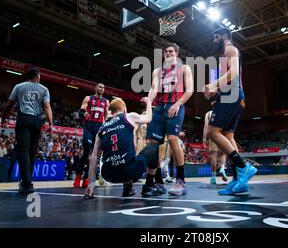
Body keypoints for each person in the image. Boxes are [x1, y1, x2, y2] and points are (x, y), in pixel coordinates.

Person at [203, 27, 257, 195]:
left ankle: (243, 167)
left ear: (224, 36)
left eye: (216, 36)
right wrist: (217, 91)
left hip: (232, 94)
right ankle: (238, 180)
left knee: (212, 132)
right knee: (227, 135)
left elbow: (234, 73)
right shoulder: (226, 54)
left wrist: (214, 85)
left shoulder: (230, 48)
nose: (214, 40)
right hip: (232, 94)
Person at [142, 43, 194, 196]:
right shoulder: (158, 71)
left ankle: (181, 181)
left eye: (171, 51)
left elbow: (190, 89)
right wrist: (149, 101)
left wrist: (178, 103)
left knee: (172, 139)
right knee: (153, 144)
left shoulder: (184, 68)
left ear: (177, 53)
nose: (168, 54)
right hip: (159, 108)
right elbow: (154, 88)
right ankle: (157, 182)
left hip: (175, 106)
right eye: (166, 52)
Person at [84, 97, 157, 198]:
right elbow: (149, 118)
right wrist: (149, 103)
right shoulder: (128, 117)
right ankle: (149, 185)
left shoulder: (101, 129)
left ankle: (128, 188)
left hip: (108, 174)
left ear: (112, 111)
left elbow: (94, 157)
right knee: (154, 145)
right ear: (124, 109)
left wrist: (91, 184)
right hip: (129, 171)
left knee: (125, 150)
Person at [1, 67, 54, 194]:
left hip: (23, 119)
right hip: (37, 121)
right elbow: (46, 106)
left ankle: (26, 183)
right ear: (38, 77)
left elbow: (9, 103)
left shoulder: (19, 86)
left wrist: (4, 116)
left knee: (23, 150)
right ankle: (27, 182)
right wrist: (51, 123)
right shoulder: (44, 89)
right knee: (32, 151)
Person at [74, 83, 110, 188]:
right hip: (89, 127)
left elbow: (107, 117)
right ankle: (78, 176)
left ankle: (86, 178)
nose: (101, 89)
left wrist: (106, 128)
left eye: (103, 87)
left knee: (94, 156)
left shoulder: (106, 102)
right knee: (86, 152)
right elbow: (81, 112)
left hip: (99, 128)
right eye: (100, 87)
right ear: (95, 88)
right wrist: (83, 114)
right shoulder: (88, 98)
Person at [204, 102, 228, 184]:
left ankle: (213, 177)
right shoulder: (224, 112)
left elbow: (206, 127)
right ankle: (222, 168)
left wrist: (204, 138)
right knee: (223, 154)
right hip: (222, 135)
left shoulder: (208, 114)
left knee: (213, 156)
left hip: (213, 135)